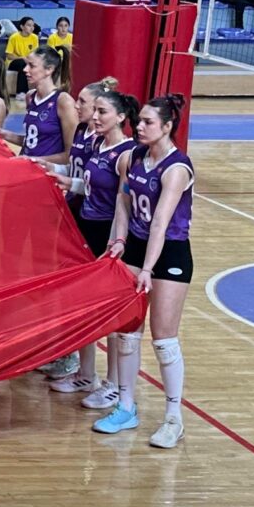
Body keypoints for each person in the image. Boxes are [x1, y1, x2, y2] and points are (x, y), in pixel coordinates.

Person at [98, 93, 192, 449]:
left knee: (164, 339)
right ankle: (125, 406)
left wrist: (147, 269)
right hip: (135, 246)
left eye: (148, 122)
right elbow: (123, 202)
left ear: (167, 127)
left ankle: (173, 418)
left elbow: (160, 224)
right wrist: (119, 240)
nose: (139, 126)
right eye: (139, 121)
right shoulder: (132, 157)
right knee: (126, 332)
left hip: (169, 252)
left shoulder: (177, 168)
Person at [71, 81, 142, 415]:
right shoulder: (97, 144)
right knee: (86, 307)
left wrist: (117, 244)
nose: (95, 117)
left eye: (102, 112)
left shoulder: (126, 154)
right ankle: (89, 375)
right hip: (87, 227)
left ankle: (114, 386)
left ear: (120, 116)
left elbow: (122, 206)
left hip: (108, 235)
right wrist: (60, 178)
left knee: (112, 315)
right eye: (94, 110)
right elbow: (89, 188)